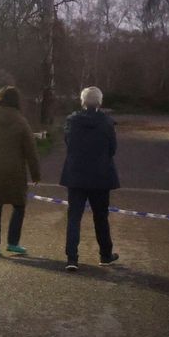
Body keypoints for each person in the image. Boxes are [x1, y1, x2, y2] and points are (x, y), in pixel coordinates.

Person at [60, 85, 120, 272]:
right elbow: (113, 149)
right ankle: (105, 254)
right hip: (101, 175)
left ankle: (72, 258)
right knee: (101, 216)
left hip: (76, 174)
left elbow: (68, 143)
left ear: (82, 101)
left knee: (74, 217)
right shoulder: (107, 123)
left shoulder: (71, 121)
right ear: (100, 102)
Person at [0, 86, 40, 257]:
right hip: (14, 170)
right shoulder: (20, 121)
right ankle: (13, 242)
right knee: (19, 205)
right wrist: (35, 173)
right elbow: (30, 149)